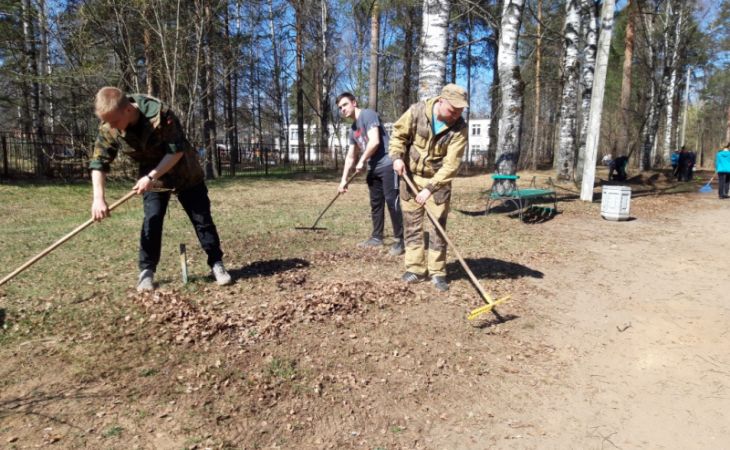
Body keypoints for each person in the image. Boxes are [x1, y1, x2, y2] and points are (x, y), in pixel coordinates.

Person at [89, 87, 232, 292]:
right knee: (152, 219)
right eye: (107, 122)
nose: (111, 126)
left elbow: (176, 152)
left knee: (202, 218)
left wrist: (150, 177)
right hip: (151, 177)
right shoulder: (110, 125)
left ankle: (217, 264)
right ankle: (146, 272)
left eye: (114, 121)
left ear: (128, 110)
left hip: (184, 171)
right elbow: (98, 163)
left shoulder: (160, 114)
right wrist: (98, 199)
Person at [388, 84, 468, 292]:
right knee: (412, 225)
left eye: (460, 111)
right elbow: (398, 136)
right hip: (410, 177)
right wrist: (396, 158)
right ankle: (415, 268)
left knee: (437, 228)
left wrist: (430, 188)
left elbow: (452, 164)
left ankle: (437, 272)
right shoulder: (417, 112)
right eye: (453, 110)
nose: (456, 115)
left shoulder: (460, 127)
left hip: (438, 182)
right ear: (441, 101)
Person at [336, 92, 404, 256]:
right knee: (376, 203)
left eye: (345, 105)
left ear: (354, 102)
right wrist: (343, 180)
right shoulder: (353, 129)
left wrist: (362, 161)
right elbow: (351, 155)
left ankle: (401, 241)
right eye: (339, 108)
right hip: (374, 168)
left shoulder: (368, 114)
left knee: (391, 201)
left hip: (388, 163)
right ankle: (376, 237)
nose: (342, 109)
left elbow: (375, 141)